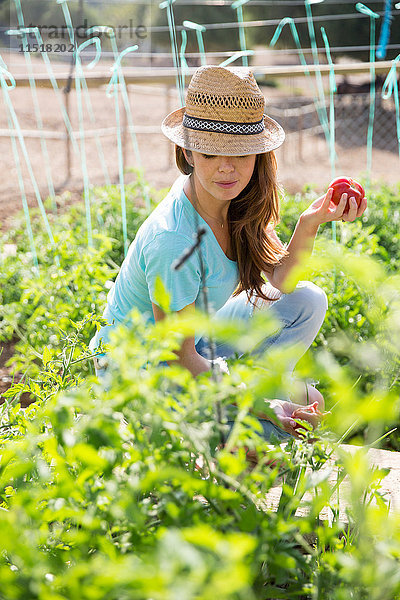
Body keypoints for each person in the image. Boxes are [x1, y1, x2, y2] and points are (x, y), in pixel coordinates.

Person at [89, 65, 367, 442]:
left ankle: (256, 391)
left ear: (258, 153)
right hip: (144, 368)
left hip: (195, 343)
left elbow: (282, 280)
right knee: (275, 431)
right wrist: (261, 403)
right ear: (188, 152)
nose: (226, 168)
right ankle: (222, 423)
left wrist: (311, 220)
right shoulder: (175, 240)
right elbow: (178, 358)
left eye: (240, 154)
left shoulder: (232, 200)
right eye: (210, 153)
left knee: (308, 299)